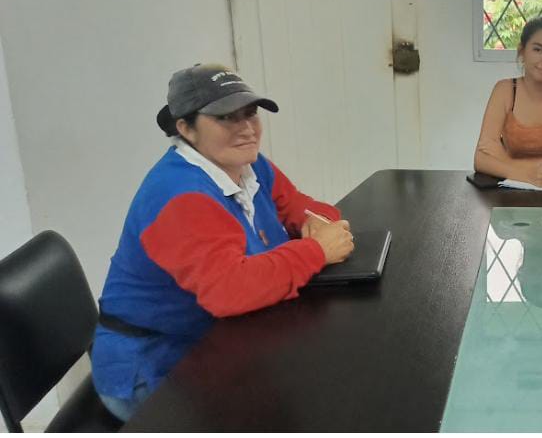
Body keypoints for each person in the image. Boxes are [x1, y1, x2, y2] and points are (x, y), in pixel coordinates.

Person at [91, 63, 355, 421]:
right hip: (153, 368)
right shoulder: (179, 196)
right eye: (226, 117)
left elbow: (296, 204)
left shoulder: (248, 165)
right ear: (185, 128)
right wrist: (317, 250)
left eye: (250, 113)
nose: (246, 128)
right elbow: (229, 290)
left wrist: (315, 222)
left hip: (212, 341)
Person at [474, 16, 542, 187]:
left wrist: (505, 161)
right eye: (538, 49)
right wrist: (525, 175)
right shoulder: (504, 90)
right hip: (510, 190)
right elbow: (481, 159)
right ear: (522, 51)